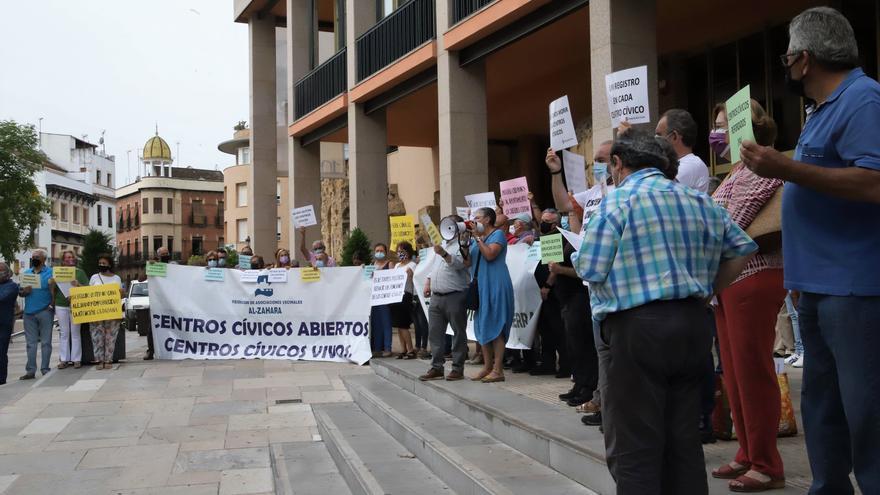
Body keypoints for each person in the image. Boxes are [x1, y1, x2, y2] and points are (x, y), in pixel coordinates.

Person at [740, 7, 880, 493]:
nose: (786, 66)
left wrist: (787, 168)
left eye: (787, 57)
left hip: (854, 288)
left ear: (805, 59)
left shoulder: (863, 98)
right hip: (819, 288)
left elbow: (873, 182)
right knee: (824, 408)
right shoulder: (824, 109)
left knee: (866, 411)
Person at [574, 129, 756, 494]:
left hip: (637, 327)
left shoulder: (618, 201)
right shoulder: (699, 200)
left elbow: (590, 268)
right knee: (685, 440)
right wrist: (707, 291)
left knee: (637, 445)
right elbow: (742, 249)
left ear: (619, 163)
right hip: (692, 323)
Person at [710, 99, 787, 491]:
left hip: (754, 276)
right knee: (734, 372)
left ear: (748, 126)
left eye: (724, 125)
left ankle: (766, 462)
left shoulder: (762, 166)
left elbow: (733, 221)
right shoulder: (732, 172)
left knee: (752, 369)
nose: (717, 133)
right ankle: (746, 452)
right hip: (728, 280)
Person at [419, 215, 471, 381]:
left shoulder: (464, 244)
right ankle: (436, 367)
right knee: (435, 334)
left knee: (458, 333)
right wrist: (428, 281)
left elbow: (460, 265)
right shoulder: (442, 244)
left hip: (455, 295)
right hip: (437, 296)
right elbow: (435, 267)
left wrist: (444, 254)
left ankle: (457, 368)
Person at [467, 207, 514, 383]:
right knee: (483, 324)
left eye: (477, 217)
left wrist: (477, 238)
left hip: (496, 284)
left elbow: (490, 255)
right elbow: (467, 262)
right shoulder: (475, 239)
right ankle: (487, 367)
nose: (474, 220)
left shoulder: (498, 235)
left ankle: (498, 369)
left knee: (497, 324)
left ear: (487, 219)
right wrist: (465, 243)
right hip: (481, 286)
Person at [529, 208, 568, 378]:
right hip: (540, 292)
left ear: (555, 224)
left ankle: (567, 365)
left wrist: (547, 286)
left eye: (546, 221)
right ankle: (547, 362)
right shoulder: (541, 238)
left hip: (552, 292)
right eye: (542, 220)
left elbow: (554, 268)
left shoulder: (556, 237)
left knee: (558, 329)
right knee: (545, 330)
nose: (542, 223)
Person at [19, 248, 54, 379]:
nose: (34, 259)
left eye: (37, 257)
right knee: (30, 343)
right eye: (33, 257)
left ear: (44, 259)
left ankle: (45, 368)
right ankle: (30, 370)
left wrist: (52, 305)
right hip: (29, 313)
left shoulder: (50, 273)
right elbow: (20, 293)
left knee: (46, 342)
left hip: (45, 311)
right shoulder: (27, 273)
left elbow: (54, 292)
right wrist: (24, 292)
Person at [655, 109, 710, 193]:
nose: (655, 139)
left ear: (674, 137)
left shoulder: (692, 164)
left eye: (659, 135)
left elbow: (658, 192)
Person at [51, 250, 89, 369]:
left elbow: (87, 289)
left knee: (75, 333)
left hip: (76, 305)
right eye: (67, 258)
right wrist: (51, 284)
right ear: (63, 260)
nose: (70, 259)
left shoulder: (80, 272)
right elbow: (53, 290)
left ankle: (77, 359)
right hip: (61, 304)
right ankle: (64, 359)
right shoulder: (57, 272)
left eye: (71, 257)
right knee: (64, 333)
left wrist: (77, 284)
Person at [88, 254, 124, 370]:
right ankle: (99, 360)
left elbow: (119, 295)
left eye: (104, 263)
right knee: (97, 336)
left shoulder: (116, 278)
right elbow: (88, 293)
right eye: (100, 263)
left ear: (109, 264)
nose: (101, 265)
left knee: (111, 337)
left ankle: (108, 359)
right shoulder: (94, 277)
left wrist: (121, 292)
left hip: (112, 312)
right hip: (97, 312)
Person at [391, 241, 417, 360]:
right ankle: (403, 349)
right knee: (398, 325)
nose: (400, 254)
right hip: (396, 295)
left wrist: (409, 274)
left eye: (403, 251)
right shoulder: (397, 266)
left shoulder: (412, 265)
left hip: (406, 296)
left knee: (403, 324)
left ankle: (411, 350)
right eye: (399, 251)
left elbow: (413, 279)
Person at [370, 243, 394, 357]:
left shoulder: (389, 264)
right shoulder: (371, 265)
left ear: (385, 252)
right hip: (374, 298)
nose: (379, 253)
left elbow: (393, 278)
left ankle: (387, 348)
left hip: (385, 299)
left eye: (381, 250)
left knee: (386, 323)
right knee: (376, 323)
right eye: (377, 250)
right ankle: (377, 348)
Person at [0, 262, 19, 385]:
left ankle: (1, 379)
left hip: (3, 324)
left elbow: (2, 297)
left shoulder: (11, 286)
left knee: (1, 351)